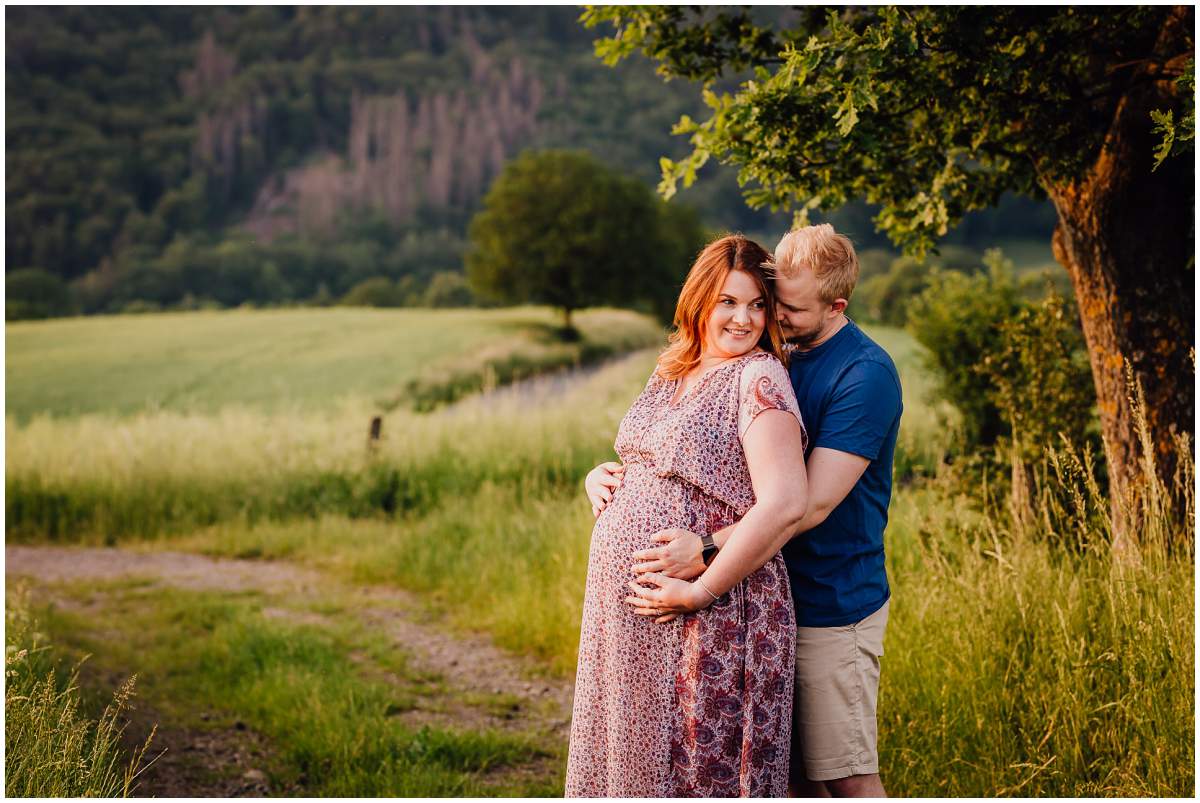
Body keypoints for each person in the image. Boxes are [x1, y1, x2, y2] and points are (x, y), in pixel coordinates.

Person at [586, 224, 902, 797]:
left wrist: (704, 554)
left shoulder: (861, 374)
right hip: (749, 587)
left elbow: (803, 504)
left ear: (836, 306)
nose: (766, 318)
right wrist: (609, 480)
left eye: (778, 306)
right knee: (796, 780)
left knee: (844, 776)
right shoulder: (777, 353)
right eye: (761, 300)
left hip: (827, 598)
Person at [565, 235, 809, 797]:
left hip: (709, 613)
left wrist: (700, 591)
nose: (743, 319)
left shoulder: (758, 377)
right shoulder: (676, 368)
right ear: (699, 301)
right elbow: (654, 457)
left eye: (756, 305)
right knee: (630, 759)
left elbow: (785, 503)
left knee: (694, 769)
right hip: (632, 620)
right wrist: (601, 478)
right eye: (728, 301)